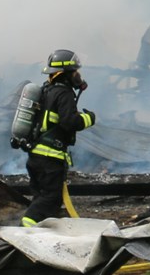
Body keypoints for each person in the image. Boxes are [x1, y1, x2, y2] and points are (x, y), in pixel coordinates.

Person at [19, 49, 96, 227]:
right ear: (65, 73)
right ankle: (25, 230)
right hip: (50, 158)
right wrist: (90, 118)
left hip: (35, 157)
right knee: (50, 199)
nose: (78, 75)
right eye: (75, 71)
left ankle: (38, 233)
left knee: (41, 197)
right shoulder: (64, 93)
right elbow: (70, 122)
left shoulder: (46, 91)